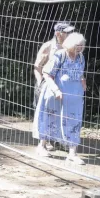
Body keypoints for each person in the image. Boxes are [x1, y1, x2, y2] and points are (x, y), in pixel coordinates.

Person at [33, 32, 88, 164]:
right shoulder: (60, 55)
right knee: (50, 117)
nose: (79, 48)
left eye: (82, 45)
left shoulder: (81, 57)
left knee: (74, 121)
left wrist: (83, 81)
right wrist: (56, 89)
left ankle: (72, 153)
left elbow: (80, 73)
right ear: (70, 44)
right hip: (56, 94)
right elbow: (47, 73)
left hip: (74, 96)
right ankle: (42, 145)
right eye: (77, 45)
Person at [33, 22, 75, 150]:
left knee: (62, 113)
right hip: (47, 84)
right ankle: (43, 142)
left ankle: (58, 140)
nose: (70, 34)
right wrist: (40, 83)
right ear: (58, 34)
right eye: (67, 32)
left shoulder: (70, 47)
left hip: (63, 87)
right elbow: (37, 66)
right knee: (45, 112)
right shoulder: (48, 46)